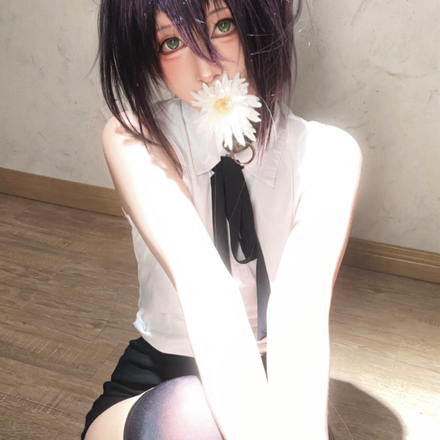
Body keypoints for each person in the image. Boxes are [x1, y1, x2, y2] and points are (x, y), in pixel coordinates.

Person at [82, 0, 362, 439]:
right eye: (171, 43)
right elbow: (205, 288)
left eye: (223, 25)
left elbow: (299, 322)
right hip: (158, 378)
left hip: (275, 376)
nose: (207, 68)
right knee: (192, 414)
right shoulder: (135, 138)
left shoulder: (330, 156)